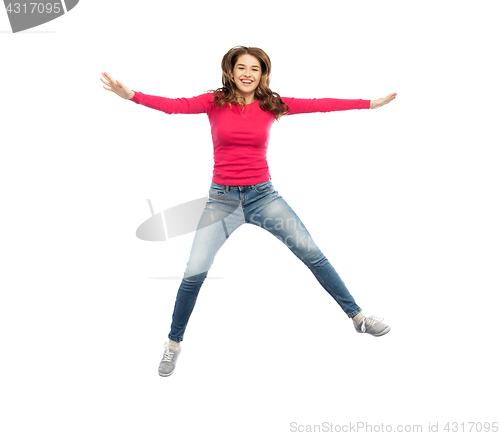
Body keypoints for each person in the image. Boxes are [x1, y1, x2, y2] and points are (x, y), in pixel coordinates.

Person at [101, 45, 397, 378]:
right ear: (230, 70)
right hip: (222, 201)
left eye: (254, 69)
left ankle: (359, 318)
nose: (247, 74)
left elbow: (318, 105)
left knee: (312, 253)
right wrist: (131, 96)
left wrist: (368, 104)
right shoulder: (215, 101)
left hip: (263, 196)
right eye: (241, 67)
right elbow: (174, 107)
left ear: (262, 73)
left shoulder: (272, 104)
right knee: (193, 272)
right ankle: (172, 345)